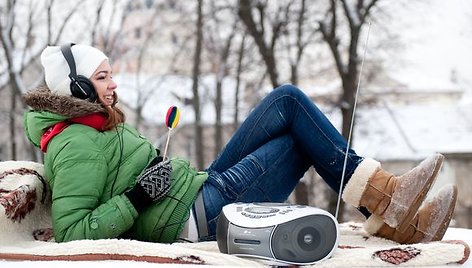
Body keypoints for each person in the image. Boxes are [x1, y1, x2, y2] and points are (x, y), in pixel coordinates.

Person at [23, 43, 457, 245]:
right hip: (194, 217)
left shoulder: (94, 125)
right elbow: (73, 233)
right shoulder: (75, 142)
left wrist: (151, 169)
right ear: (75, 86)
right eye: (102, 77)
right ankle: (392, 207)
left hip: (192, 191)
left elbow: (117, 173)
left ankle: (389, 205)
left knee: (286, 100)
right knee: (296, 135)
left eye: (111, 73)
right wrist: (138, 197)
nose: (114, 84)